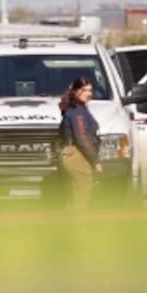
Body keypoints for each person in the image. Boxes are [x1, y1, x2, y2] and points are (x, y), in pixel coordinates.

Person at [58, 76, 101, 208]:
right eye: (84, 90)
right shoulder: (77, 111)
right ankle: (79, 219)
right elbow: (82, 137)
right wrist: (95, 160)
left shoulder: (76, 108)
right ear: (75, 91)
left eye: (90, 90)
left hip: (72, 153)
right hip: (77, 154)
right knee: (82, 193)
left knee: (72, 195)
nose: (88, 93)